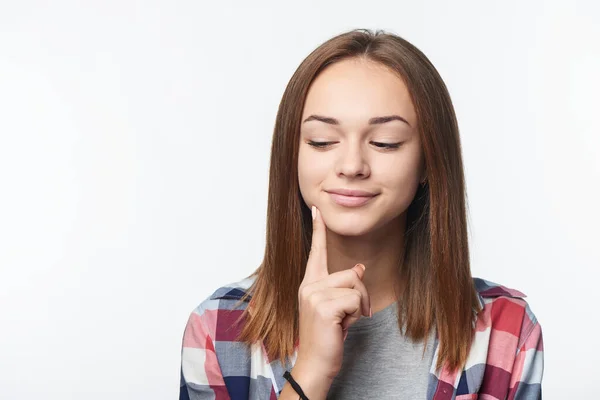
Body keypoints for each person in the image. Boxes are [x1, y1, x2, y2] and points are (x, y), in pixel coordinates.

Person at [178, 28, 544, 400]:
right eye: (322, 141)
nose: (352, 165)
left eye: (385, 143)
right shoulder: (217, 329)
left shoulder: (505, 331)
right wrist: (312, 371)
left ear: (427, 163)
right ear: (293, 156)